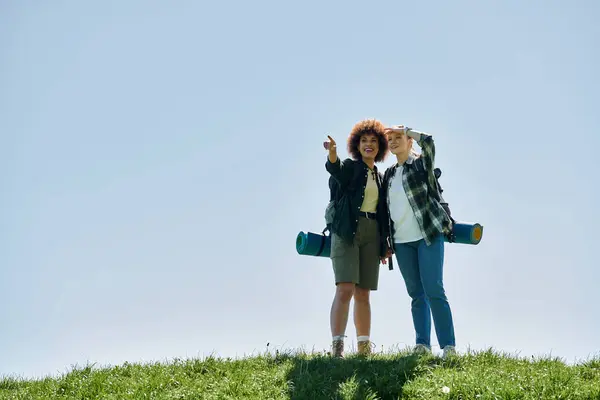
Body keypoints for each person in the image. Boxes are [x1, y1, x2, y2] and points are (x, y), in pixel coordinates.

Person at [382, 125, 457, 358]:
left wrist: (407, 129)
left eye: (398, 138)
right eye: (390, 139)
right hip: (402, 242)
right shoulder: (389, 174)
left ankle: (449, 347)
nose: (393, 141)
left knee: (434, 288)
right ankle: (422, 345)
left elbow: (430, 143)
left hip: (428, 236)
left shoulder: (421, 165)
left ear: (409, 142)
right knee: (416, 294)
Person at [323, 119, 391, 358]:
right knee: (345, 289)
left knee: (364, 292)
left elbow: (384, 213)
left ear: (381, 146)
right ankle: (337, 349)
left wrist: (385, 244)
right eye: (364, 141)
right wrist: (333, 154)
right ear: (356, 145)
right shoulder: (352, 168)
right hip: (347, 231)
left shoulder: (381, 177)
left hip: (372, 233)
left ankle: (363, 350)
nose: (369, 145)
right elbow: (336, 169)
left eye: (373, 141)